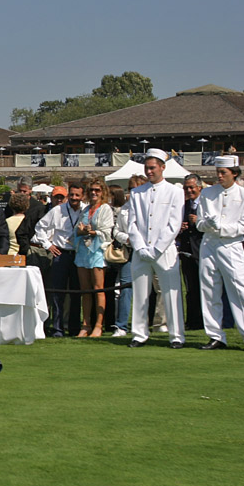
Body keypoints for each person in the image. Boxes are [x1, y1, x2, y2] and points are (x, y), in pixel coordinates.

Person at [126, 148, 185, 348]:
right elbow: (131, 223)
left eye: (152, 168)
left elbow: (174, 224)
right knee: (140, 293)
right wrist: (140, 247)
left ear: (162, 167)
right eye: (147, 168)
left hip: (165, 250)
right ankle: (139, 334)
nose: (149, 172)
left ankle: (176, 335)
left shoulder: (175, 191)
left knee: (171, 292)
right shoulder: (136, 193)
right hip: (141, 250)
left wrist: (157, 248)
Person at [196, 156, 244, 350]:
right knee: (209, 290)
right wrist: (207, 224)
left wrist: (222, 228)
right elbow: (199, 222)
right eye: (218, 172)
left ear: (234, 173)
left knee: (240, 291)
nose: (219, 176)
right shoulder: (208, 193)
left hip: (231, 245)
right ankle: (215, 335)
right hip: (209, 244)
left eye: (223, 173)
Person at [34, 183, 84, 337]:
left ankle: (75, 327)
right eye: (72, 195)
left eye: (78, 195)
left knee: (77, 293)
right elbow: (39, 228)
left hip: (78, 254)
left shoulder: (85, 210)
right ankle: (58, 329)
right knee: (58, 293)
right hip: (60, 254)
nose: (74, 198)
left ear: (82, 196)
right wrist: (48, 245)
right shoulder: (58, 210)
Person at [74, 179, 113, 337]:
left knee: (98, 289)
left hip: (97, 252)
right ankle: (86, 324)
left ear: (102, 192)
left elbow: (107, 232)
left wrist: (92, 232)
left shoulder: (105, 209)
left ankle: (99, 324)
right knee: (85, 290)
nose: (94, 193)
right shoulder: (85, 210)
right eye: (91, 190)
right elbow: (77, 229)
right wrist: (82, 231)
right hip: (83, 251)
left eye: (97, 190)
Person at [178, 174, 205, 330]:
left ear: (199, 188)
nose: (188, 190)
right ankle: (193, 321)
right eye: (186, 188)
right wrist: (180, 228)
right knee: (190, 288)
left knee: (206, 288)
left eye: (191, 187)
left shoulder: (206, 204)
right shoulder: (184, 205)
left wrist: (198, 222)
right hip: (187, 252)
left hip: (203, 251)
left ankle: (206, 321)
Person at [107, 185, 133, 337]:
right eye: (130, 189)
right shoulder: (125, 209)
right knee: (125, 288)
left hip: (149, 251)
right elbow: (116, 230)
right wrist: (127, 239)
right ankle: (121, 326)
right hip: (127, 251)